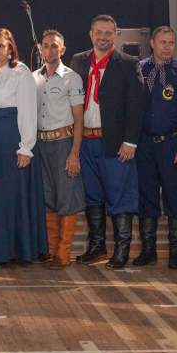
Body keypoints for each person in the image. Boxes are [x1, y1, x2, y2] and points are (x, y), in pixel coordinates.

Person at [67, 15, 145, 269]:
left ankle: (122, 251)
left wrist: (131, 142)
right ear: (91, 34)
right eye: (98, 32)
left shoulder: (128, 63)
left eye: (108, 33)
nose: (103, 37)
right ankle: (97, 246)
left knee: (120, 196)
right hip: (86, 141)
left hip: (114, 144)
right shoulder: (78, 61)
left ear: (116, 35)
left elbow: (137, 107)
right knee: (92, 196)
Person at [0, 28, 46, 265]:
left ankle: (13, 250)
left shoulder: (20, 72)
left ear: (10, 50)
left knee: (9, 195)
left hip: (10, 140)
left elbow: (28, 110)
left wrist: (26, 147)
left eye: (0, 46)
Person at [135, 26, 177, 269]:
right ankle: (148, 250)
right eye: (163, 42)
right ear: (152, 43)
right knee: (146, 196)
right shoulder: (140, 69)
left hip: (172, 143)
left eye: (171, 42)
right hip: (144, 145)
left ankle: (175, 252)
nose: (167, 46)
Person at [33, 30, 86, 269]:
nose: (50, 50)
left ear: (62, 50)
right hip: (40, 144)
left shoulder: (72, 78)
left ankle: (64, 253)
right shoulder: (33, 78)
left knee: (67, 197)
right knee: (47, 197)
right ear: (40, 49)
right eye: (46, 46)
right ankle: (51, 250)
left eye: (54, 46)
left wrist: (74, 153)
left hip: (63, 143)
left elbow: (79, 119)